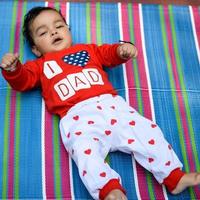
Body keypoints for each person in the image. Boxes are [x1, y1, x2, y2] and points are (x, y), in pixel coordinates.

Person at [1, 6, 200, 200]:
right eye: (43, 32)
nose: (53, 31)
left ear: (68, 30)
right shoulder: (39, 66)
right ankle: (108, 190)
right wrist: (13, 70)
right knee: (84, 153)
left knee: (147, 131)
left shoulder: (88, 50)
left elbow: (109, 53)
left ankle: (174, 177)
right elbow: (23, 81)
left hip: (112, 106)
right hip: (77, 117)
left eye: (59, 26)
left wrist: (122, 49)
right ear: (35, 49)